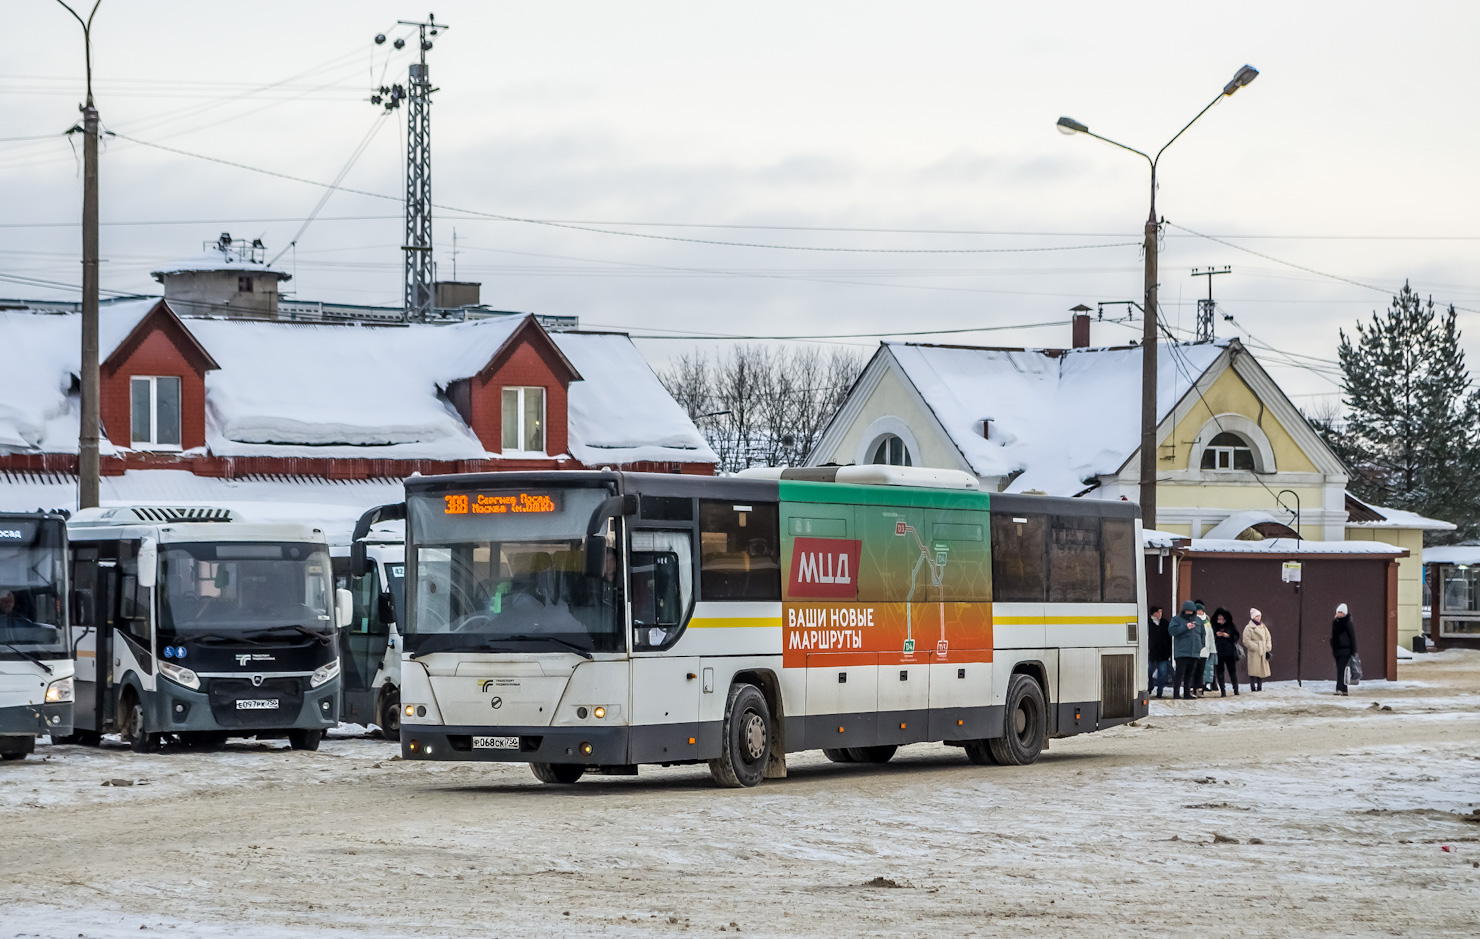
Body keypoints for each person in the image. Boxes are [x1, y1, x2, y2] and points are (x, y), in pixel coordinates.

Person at [1169, 600, 1205, 699]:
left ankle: (1186, 693)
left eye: (1191, 611)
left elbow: (1203, 634)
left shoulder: (1198, 621)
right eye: (1187, 611)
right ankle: (1176, 694)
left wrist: (1200, 645)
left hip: (1194, 653)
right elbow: (1172, 631)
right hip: (1181, 652)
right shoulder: (1176, 619)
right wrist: (1185, 627)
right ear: (1184, 610)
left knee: (1189, 675)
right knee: (1179, 675)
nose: (1189, 613)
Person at [1211, 607, 1240, 696]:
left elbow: (1236, 636)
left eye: (1221, 617)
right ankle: (1222, 691)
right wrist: (1216, 635)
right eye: (1218, 617)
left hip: (1229, 652)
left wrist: (1228, 636)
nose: (1220, 619)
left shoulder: (1231, 625)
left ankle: (1236, 689)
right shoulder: (1214, 626)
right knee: (1220, 672)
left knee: (1232, 671)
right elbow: (1209, 637)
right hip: (1218, 652)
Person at [1242, 608, 1272, 691]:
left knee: (1261, 670)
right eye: (1257, 616)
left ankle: (1259, 687)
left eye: (1259, 616)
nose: (1258, 618)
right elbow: (1246, 640)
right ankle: (1252, 687)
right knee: (1253, 669)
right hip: (1254, 652)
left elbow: (1268, 637)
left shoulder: (1263, 627)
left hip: (1262, 650)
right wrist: (1255, 647)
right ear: (1253, 617)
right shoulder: (1249, 628)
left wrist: (1267, 647)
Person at [1331, 602, 1357, 696]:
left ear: (1345, 613)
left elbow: (1352, 637)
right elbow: (1334, 636)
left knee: (1341, 670)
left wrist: (1353, 652)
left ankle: (1339, 689)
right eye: (1338, 612)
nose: (1339, 613)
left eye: (1341, 612)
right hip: (1338, 651)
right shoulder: (1335, 623)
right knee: (1341, 669)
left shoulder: (1347, 623)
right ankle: (1344, 690)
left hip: (1345, 651)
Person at [1147, 605, 1171, 698]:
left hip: (1163, 653)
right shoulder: (1148, 623)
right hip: (1151, 653)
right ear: (1154, 613)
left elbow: (1169, 638)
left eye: (1161, 612)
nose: (1160, 614)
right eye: (1158, 612)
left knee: (1162, 673)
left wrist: (1169, 652)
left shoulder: (1165, 623)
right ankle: (1149, 687)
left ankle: (1160, 691)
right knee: (1148, 672)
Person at [1197, 601, 1215, 696]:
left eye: (1201, 611)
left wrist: (1212, 650)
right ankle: (1194, 688)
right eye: (1198, 611)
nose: (1200, 613)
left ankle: (1201, 688)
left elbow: (1210, 637)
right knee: (1195, 671)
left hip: (1205, 651)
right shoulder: (1194, 621)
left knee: (1202, 671)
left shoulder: (1207, 622)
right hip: (1195, 651)